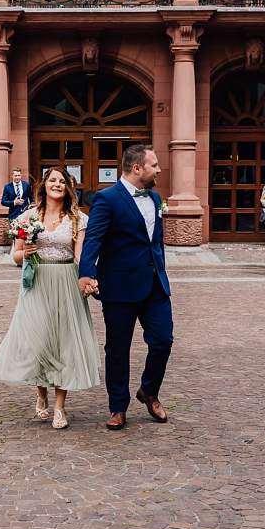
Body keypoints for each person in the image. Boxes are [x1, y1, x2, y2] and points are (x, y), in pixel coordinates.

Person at [0, 166, 100, 429]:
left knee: (64, 344)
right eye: (53, 180)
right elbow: (15, 256)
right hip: (37, 283)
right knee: (38, 342)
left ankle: (60, 407)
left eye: (62, 181)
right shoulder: (28, 216)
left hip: (66, 282)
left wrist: (89, 279)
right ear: (44, 185)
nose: (57, 184)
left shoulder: (77, 219)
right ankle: (41, 395)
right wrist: (25, 252)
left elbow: (79, 256)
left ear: (68, 187)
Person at [78, 144, 173, 432]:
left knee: (163, 341)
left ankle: (149, 391)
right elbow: (93, 238)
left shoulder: (155, 198)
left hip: (155, 285)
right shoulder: (107, 199)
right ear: (137, 168)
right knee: (117, 349)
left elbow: (155, 242)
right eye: (154, 165)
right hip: (119, 286)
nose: (158, 170)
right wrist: (86, 273)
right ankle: (118, 406)